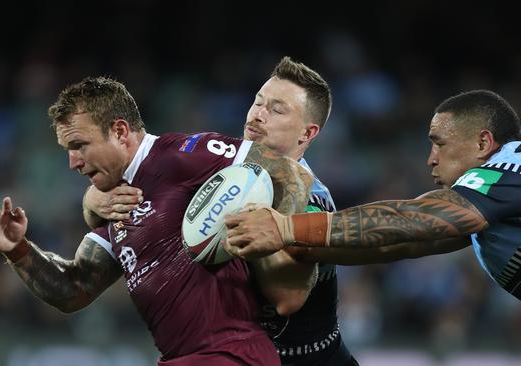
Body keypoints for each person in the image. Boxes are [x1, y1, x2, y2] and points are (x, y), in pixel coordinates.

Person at [0, 76, 317, 365]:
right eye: (67, 149)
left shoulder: (183, 156)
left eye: (80, 145)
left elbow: (290, 175)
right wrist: (18, 249)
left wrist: (278, 259)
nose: (73, 162)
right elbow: (73, 290)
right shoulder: (115, 203)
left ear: (120, 131)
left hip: (229, 354)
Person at [224, 89, 521, 355]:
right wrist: (299, 246)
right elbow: (402, 242)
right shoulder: (510, 195)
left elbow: (415, 219)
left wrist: (287, 228)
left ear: (483, 143)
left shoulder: (512, 175)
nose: (431, 159)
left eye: (439, 143)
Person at [83, 57, 359, 365]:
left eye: (277, 109)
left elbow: (286, 298)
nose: (258, 115)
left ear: (307, 134)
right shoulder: (219, 172)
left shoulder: (311, 201)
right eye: (258, 102)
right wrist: (93, 201)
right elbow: (140, 192)